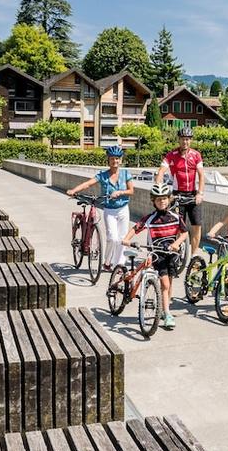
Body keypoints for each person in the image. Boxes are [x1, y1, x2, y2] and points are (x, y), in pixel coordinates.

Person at [121, 182, 188, 328]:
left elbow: (184, 233)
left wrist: (177, 244)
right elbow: (136, 228)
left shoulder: (176, 217)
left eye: (164, 198)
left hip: (171, 254)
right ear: (153, 201)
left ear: (169, 199)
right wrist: (126, 239)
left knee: (169, 283)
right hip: (157, 254)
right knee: (164, 283)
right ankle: (167, 314)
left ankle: (165, 309)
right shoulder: (150, 218)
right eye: (158, 199)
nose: (162, 201)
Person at [66, 146, 134, 269]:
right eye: (112, 159)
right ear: (108, 160)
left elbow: (131, 191)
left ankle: (119, 264)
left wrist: (120, 192)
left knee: (122, 239)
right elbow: (88, 183)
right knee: (112, 238)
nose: (115, 161)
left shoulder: (125, 174)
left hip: (123, 209)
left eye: (117, 159)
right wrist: (74, 190)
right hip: (109, 210)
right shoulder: (103, 176)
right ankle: (107, 262)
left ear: (121, 160)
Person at [155, 126, 205, 259]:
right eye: (183, 139)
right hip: (177, 194)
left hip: (193, 195)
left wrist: (200, 193)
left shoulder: (196, 155)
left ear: (191, 141)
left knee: (196, 226)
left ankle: (193, 256)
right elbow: (161, 172)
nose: (185, 142)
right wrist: (158, 189)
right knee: (177, 226)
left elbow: (201, 175)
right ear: (179, 140)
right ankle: (177, 251)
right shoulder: (171, 155)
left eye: (188, 139)